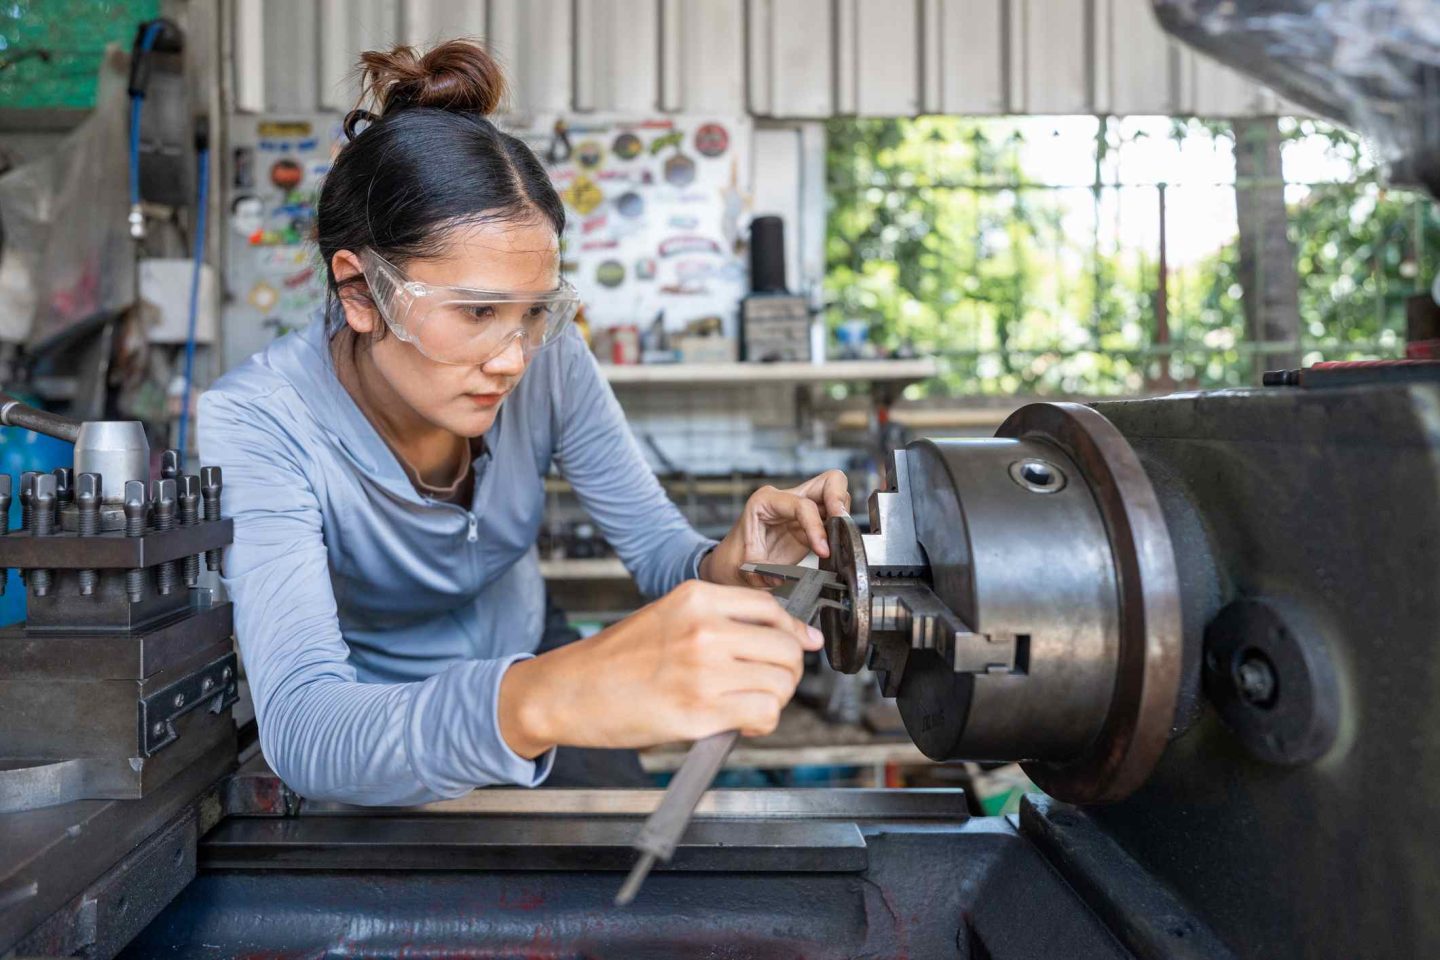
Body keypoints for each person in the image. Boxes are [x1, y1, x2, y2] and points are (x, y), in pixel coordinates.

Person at [199, 39, 851, 805]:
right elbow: (307, 728)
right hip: (373, 714)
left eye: (533, 312)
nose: (513, 358)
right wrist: (547, 696)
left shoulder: (549, 361)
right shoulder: (256, 422)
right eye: (476, 312)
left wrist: (727, 564)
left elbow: (657, 552)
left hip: (533, 656)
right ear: (360, 293)